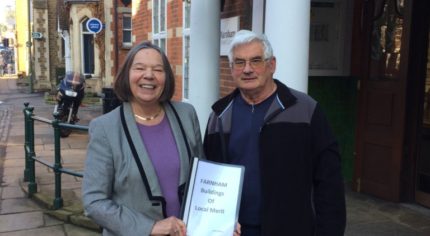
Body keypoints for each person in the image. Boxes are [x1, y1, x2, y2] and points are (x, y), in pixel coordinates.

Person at [203, 30, 346, 236]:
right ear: (232, 69)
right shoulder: (219, 115)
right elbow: (210, 179)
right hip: (234, 230)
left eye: (256, 61)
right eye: (240, 62)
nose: (248, 69)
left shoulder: (305, 110)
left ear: (272, 65)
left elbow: (329, 181)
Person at [82, 41, 205, 236]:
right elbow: (94, 202)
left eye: (158, 69)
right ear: (126, 76)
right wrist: (151, 227)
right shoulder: (105, 128)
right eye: (139, 68)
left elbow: (203, 179)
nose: (149, 75)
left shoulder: (186, 114)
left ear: (166, 78)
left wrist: (220, 220)